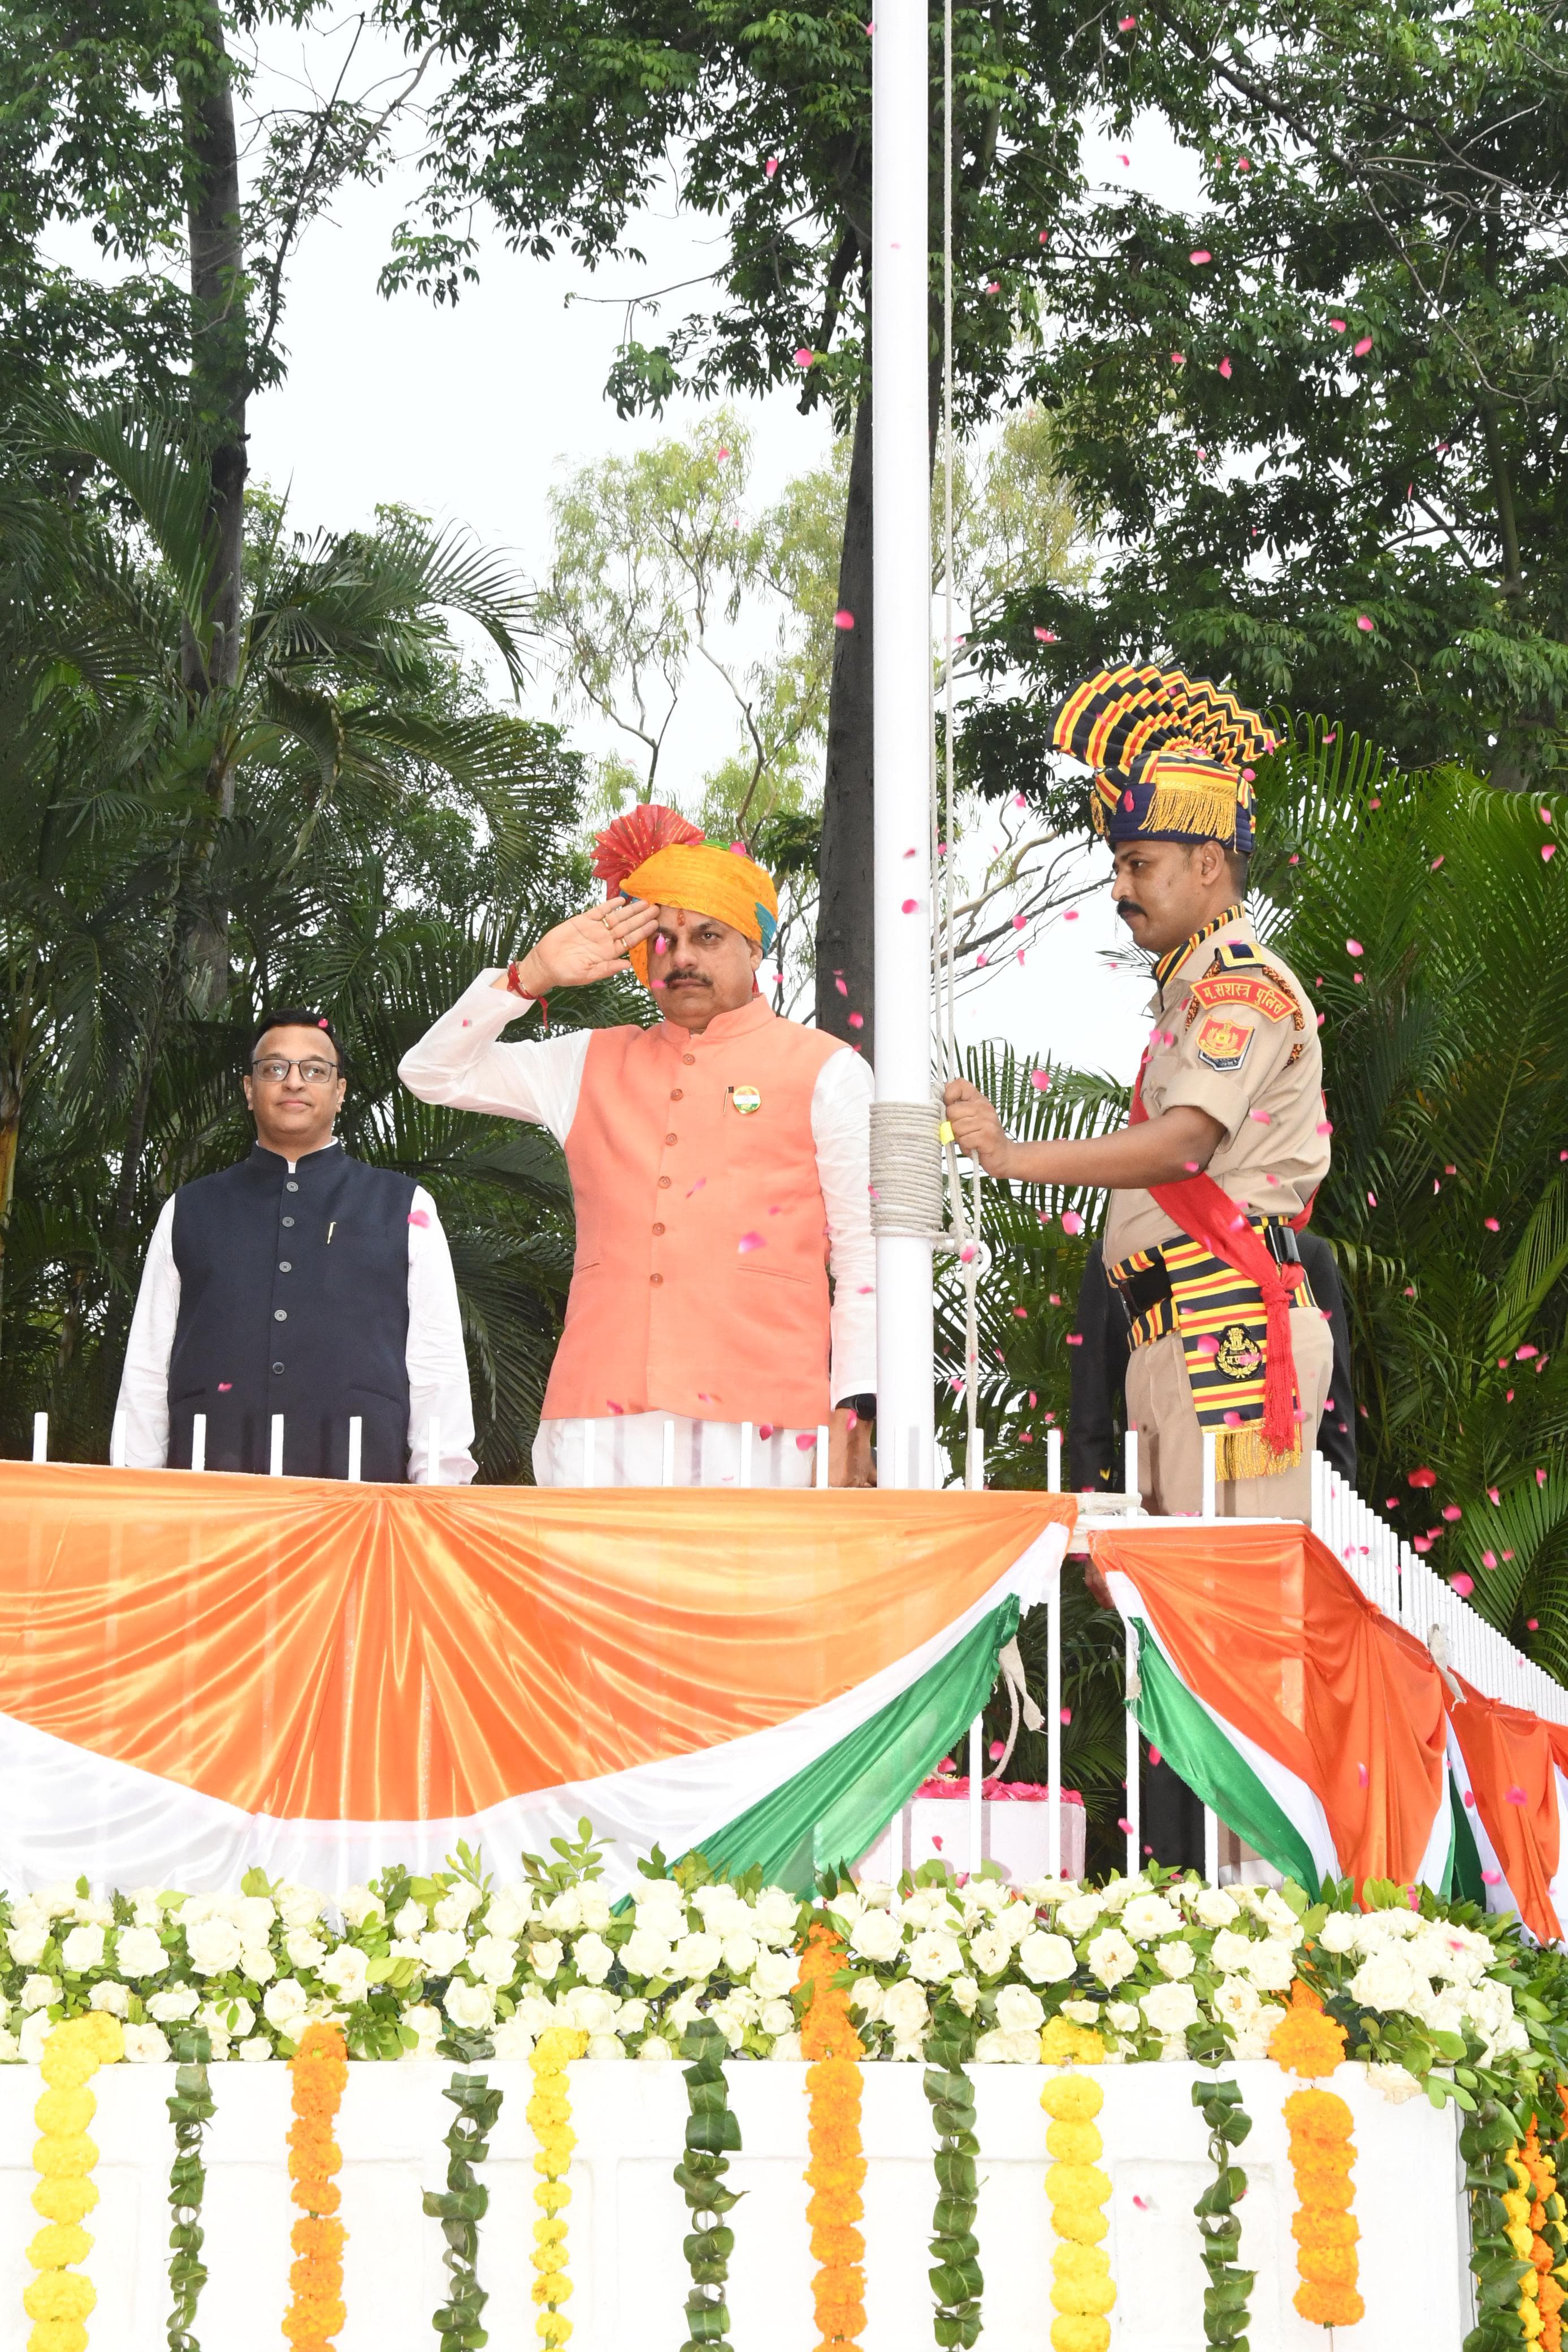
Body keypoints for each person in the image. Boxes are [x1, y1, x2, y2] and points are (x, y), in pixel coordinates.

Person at [945, 662, 1333, 1521]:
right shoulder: (1190, 992)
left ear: (1206, 863)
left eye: (1136, 864)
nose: (1118, 889)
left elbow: (1185, 1143)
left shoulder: (1240, 986)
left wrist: (1012, 1156)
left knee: (1225, 1609)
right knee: (1180, 1605)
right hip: (1180, 1327)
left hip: (1225, 1324)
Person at [398, 806, 876, 1488]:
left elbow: (863, 1256)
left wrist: (853, 1420)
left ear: (755, 949)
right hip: (598, 1420)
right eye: (662, 938)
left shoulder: (827, 1069)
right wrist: (529, 975)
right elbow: (430, 1073)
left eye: (708, 935)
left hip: (766, 1423)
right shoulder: (586, 1062)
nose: (680, 957)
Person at [117, 1010, 475, 1483]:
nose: (294, 1083)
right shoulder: (189, 1209)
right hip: (207, 1490)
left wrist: (437, 1495)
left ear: (339, 1091)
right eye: (274, 1068)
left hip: (360, 1492)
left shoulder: (406, 1205)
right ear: (250, 1089)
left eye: (314, 1070)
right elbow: (147, 1365)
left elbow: (438, 1363)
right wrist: (132, 1490)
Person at [1067, 1231, 1358, 1490]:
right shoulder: (1121, 1260)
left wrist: (1335, 1528)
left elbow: (1335, 1419)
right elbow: (1091, 1416)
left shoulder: (1299, 1251)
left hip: (1284, 1509)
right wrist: (1095, 1535)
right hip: (1154, 1507)